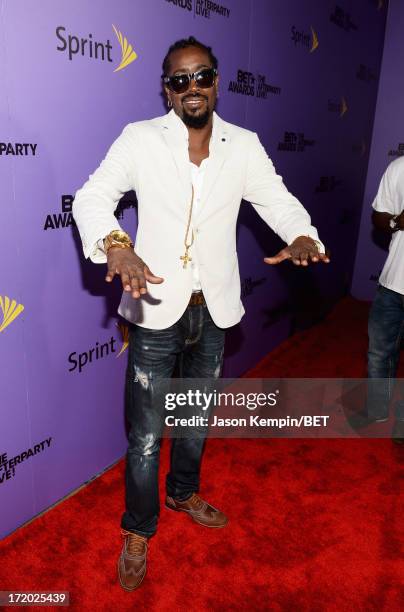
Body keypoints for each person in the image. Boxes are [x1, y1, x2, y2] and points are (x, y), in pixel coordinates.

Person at [73, 36, 329, 592]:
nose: (192, 87)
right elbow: (91, 198)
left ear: (217, 80)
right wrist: (116, 243)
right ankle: (139, 529)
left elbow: (276, 198)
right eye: (179, 79)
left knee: (194, 421)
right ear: (166, 86)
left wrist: (302, 232)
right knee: (145, 436)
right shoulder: (140, 139)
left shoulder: (244, 145)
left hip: (213, 310)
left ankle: (183, 492)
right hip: (155, 308)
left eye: (202, 75)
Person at [366, 156, 404, 443]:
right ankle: (377, 409)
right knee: (379, 353)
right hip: (392, 284)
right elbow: (379, 217)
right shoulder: (399, 167)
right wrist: (396, 221)